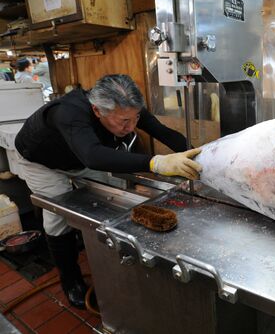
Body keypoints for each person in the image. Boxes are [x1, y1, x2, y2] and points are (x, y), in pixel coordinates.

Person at [15, 74, 202, 308]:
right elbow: (93, 156)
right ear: (97, 110)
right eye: (124, 122)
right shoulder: (68, 113)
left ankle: (112, 262)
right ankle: (70, 280)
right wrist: (156, 163)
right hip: (43, 161)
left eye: (135, 119)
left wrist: (199, 157)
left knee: (112, 202)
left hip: (81, 158)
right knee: (58, 215)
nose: (131, 127)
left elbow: (162, 132)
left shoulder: (127, 108)